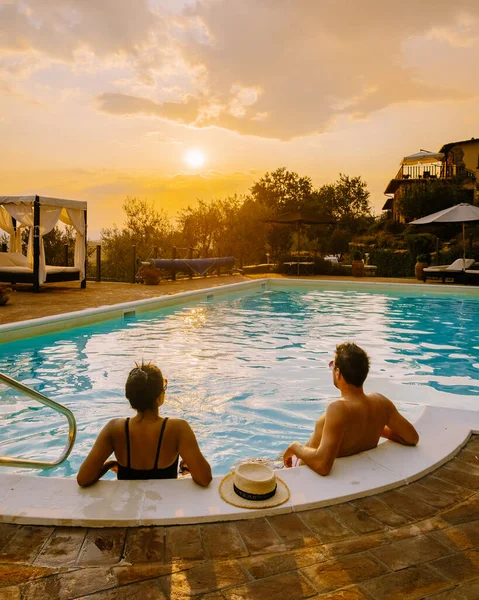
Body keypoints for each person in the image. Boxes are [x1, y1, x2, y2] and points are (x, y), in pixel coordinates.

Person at [283, 342, 419, 476]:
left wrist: (294, 447)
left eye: (333, 365)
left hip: (303, 471)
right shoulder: (381, 402)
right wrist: (374, 428)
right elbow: (412, 438)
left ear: (338, 373)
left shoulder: (338, 409)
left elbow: (322, 465)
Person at [77, 362, 212, 487]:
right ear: (160, 397)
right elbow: (204, 479)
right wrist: (190, 467)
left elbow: (83, 479)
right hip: (165, 507)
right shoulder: (178, 429)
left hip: (128, 509)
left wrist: (109, 465)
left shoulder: (113, 428)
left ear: (130, 398)